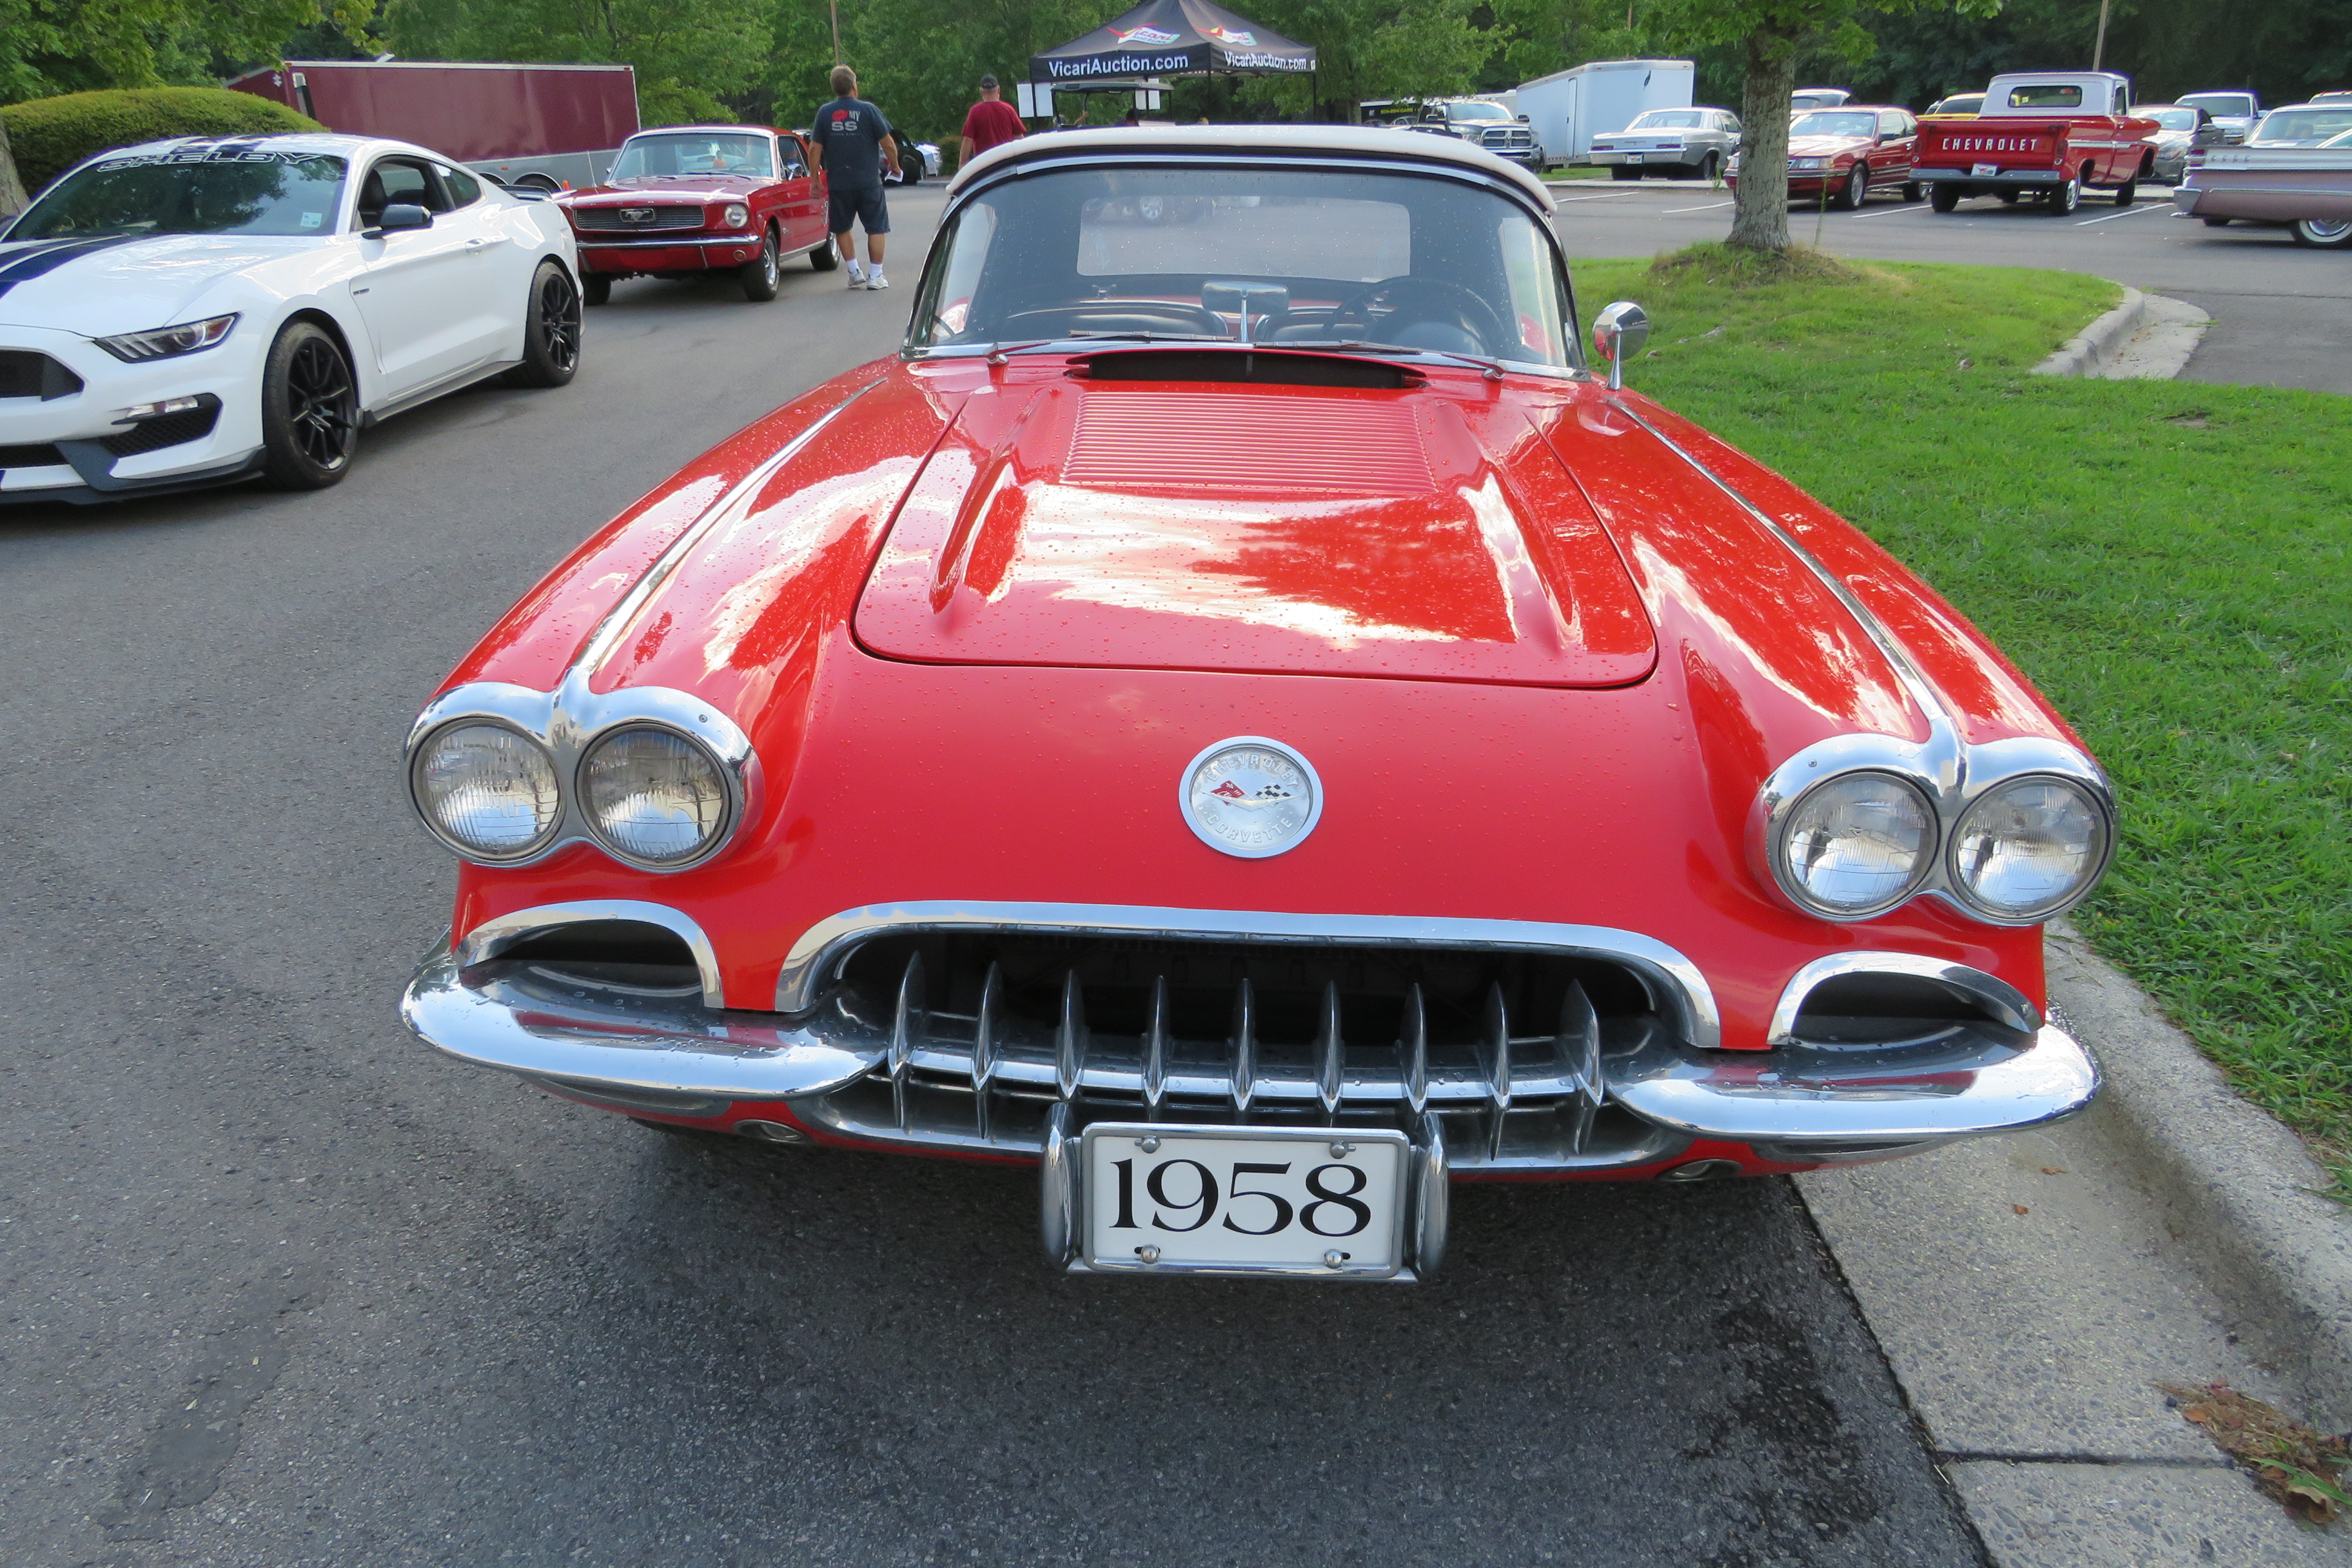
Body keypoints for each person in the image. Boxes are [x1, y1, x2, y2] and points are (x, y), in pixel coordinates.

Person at [812, 64, 900, 290]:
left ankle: (853, 272)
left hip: (839, 181)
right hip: (868, 181)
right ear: (854, 86)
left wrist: (814, 180)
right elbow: (888, 143)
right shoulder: (869, 111)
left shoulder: (825, 113)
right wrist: (895, 165)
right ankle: (876, 276)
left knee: (842, 227)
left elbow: (815, 149)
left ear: (835, 89)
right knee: (876, 227)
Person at [959, 74, 1024, 170]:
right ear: (998, 90)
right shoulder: (1008, 110)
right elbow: (1020, 139)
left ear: (981, 92)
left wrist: (962, 164)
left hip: (983, 166)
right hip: (1006, 163)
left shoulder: (975, 112)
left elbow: (968, 141)